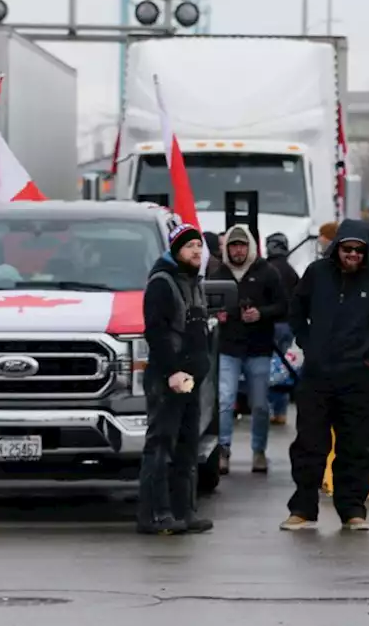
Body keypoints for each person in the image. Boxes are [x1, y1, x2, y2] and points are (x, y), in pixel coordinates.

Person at [281, 219, 369, 532]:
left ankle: (353, 510)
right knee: (309, 443)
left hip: (358, 377)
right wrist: (308, 343)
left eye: (360, 251)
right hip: (317, 375)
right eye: (347, 249)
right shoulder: (316, 274)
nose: (353, 255)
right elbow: (295, 309)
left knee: (356, 446)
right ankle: (303, 508)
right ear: (337, 248)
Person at [137, 223, 214, 535]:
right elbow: (155, 331)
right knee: (160, 445)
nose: (196, 250)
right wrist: (172, 372)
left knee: (187, 446)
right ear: (175, 250)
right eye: (189, 246)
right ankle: (154, 514)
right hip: (168, 376)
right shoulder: (162, 282)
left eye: (198, 245)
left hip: (190, 377)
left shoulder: (193, 281)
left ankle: (185, 511)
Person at [209, 225, 287, 474]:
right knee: (224, 401)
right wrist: (217, 315)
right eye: (233, 245)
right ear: (227, 248)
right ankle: (223, 449)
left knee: (260, 404)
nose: (238, 250)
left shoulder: (267, 272)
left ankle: (259, 451)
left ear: (250, 246)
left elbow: (284, 305)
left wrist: (261, 313)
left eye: (242, 245)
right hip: (228, 347)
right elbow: (205, 305)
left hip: (258, 348)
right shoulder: (218, 273)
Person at [265, 232, 301, 426]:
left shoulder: (267, 270)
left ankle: (269, 408)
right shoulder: (291, 271)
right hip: (288, 326)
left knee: (269, 368)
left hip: (269, 325)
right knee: (282, 368)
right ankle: (280, 411)